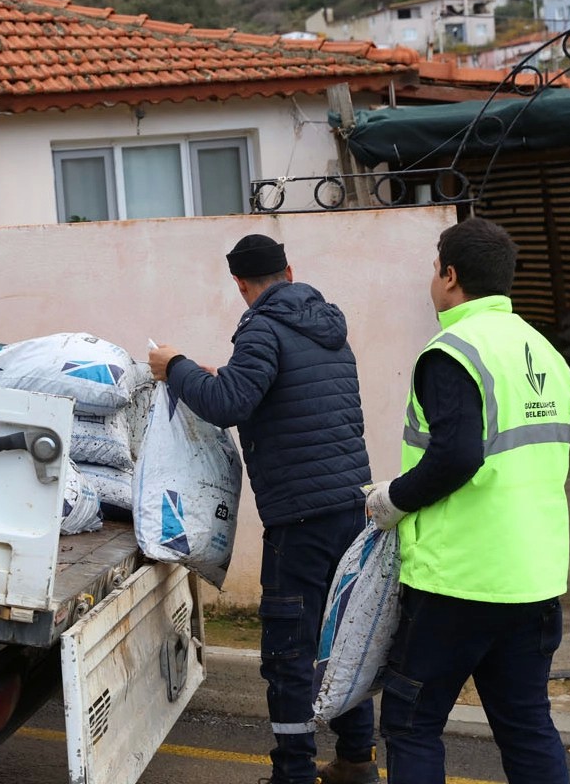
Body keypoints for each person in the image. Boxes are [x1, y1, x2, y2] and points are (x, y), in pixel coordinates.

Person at [148, 234, 378, 784]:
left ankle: (294, 773)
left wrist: (174, 365)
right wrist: (211, 376)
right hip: (352, 508)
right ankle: (356, 762)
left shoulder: (262, 328)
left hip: (300, 521)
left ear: (242, 286)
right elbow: (261, 390)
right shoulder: (328, 328)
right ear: (290, 271)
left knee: (289, 656)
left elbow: (229, 403)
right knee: (343, 641)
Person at [364, 217, 570, 783]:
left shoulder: (452, 351)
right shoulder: (545, 353)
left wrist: (394, 500)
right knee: (527, 726)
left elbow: (457, 456)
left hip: (458, 582)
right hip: (533, 580)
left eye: (435, 270)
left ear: (451, 276)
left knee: (412, 725)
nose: (432, 281)